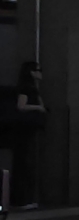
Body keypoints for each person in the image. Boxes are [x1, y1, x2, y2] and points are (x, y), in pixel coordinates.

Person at [11, 61, 45, 209]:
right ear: (31, 72)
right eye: (38, 70)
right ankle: (22, 199)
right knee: (24, 163)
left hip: (26, 129)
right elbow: (21, 106)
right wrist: (38, 107)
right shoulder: (27, 88)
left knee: (24, 163)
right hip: (25, 129)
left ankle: (22, 199)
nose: (40, 73)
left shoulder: (30, 87)